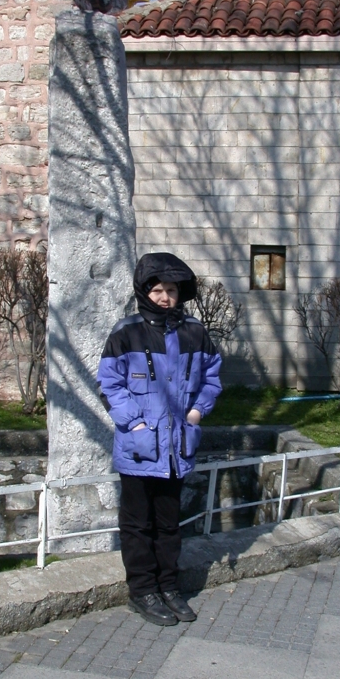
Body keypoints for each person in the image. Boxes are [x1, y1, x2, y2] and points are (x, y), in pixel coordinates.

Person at [97, 252, 222, 626]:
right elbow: (109, 383)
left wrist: (196, 413)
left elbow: (212, 377)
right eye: (158, 290)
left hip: (176, 449)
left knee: (169, 523)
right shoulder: (126, 333)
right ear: (144, 292)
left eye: (171, 290)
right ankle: (142, 591)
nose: (165, 297)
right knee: (137, 524)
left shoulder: (195, 332)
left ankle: (168, 586)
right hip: (139, 449)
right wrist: (135, 424)